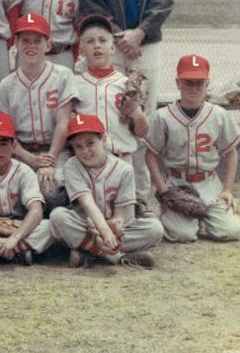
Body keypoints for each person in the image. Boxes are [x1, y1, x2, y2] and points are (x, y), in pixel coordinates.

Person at [78, 0, 174, 216]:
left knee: (139, 117)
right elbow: (92, 3)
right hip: (113, 46)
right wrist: (120, 34)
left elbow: (164, 0)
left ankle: (140, 197)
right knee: (110, 116)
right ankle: (106, 196)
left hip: (144, 46)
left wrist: (140, 31)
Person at [144, 55, 240, 243]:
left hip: (209, 184)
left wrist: (228, 189)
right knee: (182, 235)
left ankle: (203, 219)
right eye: (188, 82)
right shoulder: (163, 116)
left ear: (207, 84)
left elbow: (231, 152)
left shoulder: (219, 115)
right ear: (177, 83)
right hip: (175, 182)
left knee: (232, 231)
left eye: (199, 83)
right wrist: (163, 190)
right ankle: (184, 220)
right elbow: (150, 154)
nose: (194, 88)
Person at [49, 114, 163, 269]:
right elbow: (87, 203)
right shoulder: (72, 166)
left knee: (155, 229)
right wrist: (105, 234)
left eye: (90, 143)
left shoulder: (124, 169)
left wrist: (114, 228)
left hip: (112, 230)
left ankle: (89, 253)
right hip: (85, 225)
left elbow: (121, 215)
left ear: (103, 139)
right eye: (78, 146)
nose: (85, 151)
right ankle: (116, 257)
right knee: (58, 216)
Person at [0, 13, 78, 212]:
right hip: (20, 153)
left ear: (48, 45)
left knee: (50, 192)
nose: (31, 46)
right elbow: (4, 133)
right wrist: (28, 158)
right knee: (8, 198)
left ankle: (55, 235)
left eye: (37, 41)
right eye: (25, 41)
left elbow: (63, 123)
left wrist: (49, 160)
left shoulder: (62, 75)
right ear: (16, 44)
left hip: (56, 151)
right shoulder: (7, 84)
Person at [74, 13, 153, 216]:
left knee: (135, 224)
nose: (97, 46)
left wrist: (138, 116)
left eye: (103, 40)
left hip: (121, 161)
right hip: (89, 166)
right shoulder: (75, 85)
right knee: (91, 217)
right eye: (90, 42)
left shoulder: (127, 84)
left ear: (113, 47)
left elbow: (142, 133)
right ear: (81, 49)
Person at [0, 112, 55, 265]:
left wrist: (14, 239)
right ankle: (16, 252)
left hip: (17, 227)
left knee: (49, 226)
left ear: (14, 146)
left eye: (3, 143)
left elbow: (36, 210)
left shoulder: (24, 171)